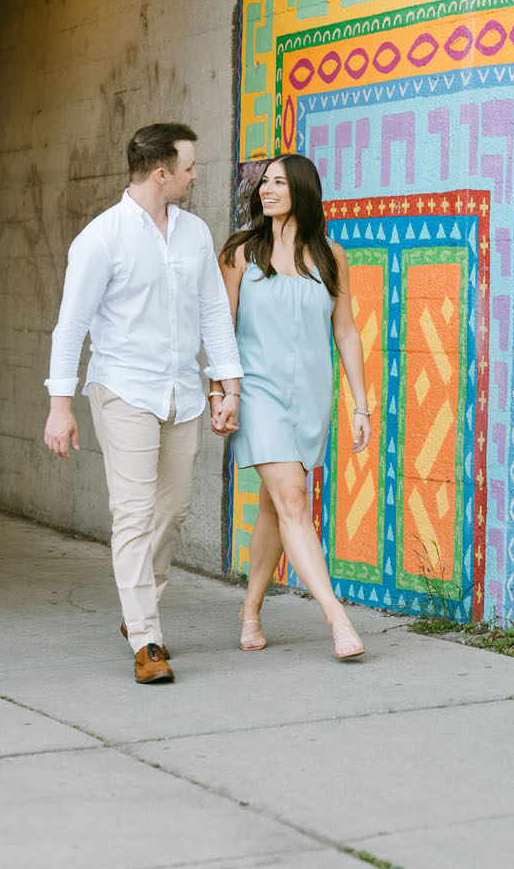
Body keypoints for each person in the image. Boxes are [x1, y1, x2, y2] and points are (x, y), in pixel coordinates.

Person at [43, 122, 242, 685]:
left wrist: (229, 386)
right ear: (162, 174)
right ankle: (148, 638)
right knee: (131, 513)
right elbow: (71, 328)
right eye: (190, 166)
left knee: (173, 509)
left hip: (181, 394)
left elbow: (212, 315)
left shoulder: (195, 234)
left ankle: (137, 612)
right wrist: (61, 406)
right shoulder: (101, 239)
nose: (196, 174)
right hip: (124, 389)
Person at [220, 154, 373, 660]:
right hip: (258, 391)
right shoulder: (242, 252)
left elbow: (345, 330)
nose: (267, 190)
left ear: (302, 190)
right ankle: (338, 618)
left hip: (310, 395)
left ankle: (250, 609)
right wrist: (221, 392)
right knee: (293, 499)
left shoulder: (330, 255)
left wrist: (361, 404)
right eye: (264, 183)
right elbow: (221, 331)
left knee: (274, 505)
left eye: (279, 183)